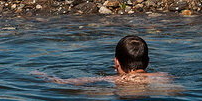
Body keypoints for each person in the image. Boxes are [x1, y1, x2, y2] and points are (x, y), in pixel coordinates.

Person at [39, 35, 175, 88]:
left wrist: (41, 76)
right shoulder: (165, 76)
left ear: (116, 62)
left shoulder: (112, 80)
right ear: (148, 61)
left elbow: (64, 83)